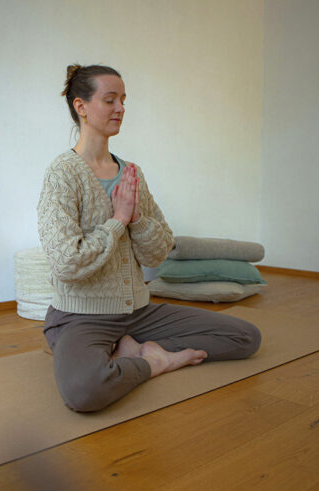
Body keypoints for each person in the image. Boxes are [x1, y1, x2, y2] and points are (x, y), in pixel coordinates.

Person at [37, 64, 261, 412]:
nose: (121, 108)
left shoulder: (131, 173)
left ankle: (131, 350)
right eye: (110, 100)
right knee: (83, 392)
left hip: (139, 313)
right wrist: (117, 221)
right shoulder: (62, 175)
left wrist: (137, 217)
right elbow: (66, 262)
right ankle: (154, 362)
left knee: (245, 337)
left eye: (123, 100)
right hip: (82, 316)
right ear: (81, 106)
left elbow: (160, 250)